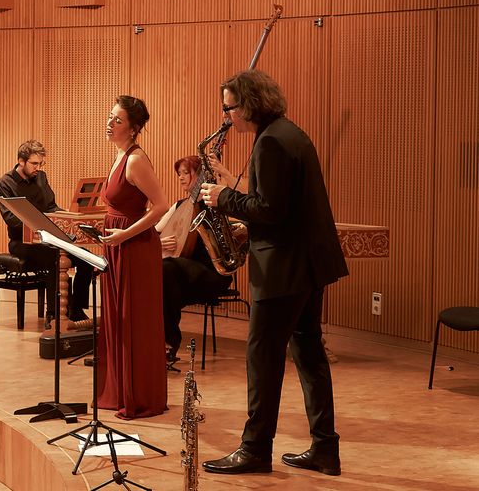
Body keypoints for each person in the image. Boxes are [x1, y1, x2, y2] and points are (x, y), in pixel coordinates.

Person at [199, 70, 348, 476]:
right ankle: (325, 448)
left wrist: (223, 197)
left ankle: (255, 450)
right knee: (308, 352)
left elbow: (270, 209)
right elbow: (282, 209)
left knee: (262, 356)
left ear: (249, 103)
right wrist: (250, 216)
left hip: (284, 269)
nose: (227, 116)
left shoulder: (270, 144)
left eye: (229, 108)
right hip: (305, 264)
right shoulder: (288, 133)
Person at [96, 95, 169, 419]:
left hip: (134, 248)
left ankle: (139, 395)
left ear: (134, 128)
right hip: (118, 243)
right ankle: (120, 389)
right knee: (117, 319)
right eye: (110, 117)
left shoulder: (136, 160)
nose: (110, 124)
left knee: (132, 322)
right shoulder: (119, 155)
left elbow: (162, 206)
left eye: (118, 120)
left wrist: (124, 235)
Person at [0, 140, 92, 324]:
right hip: (22, 243)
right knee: (56, 258)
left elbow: (51, 207)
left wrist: (69, 217)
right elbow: (11, 220)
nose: (38, 168)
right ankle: (54, 315)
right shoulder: (5, 183)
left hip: (47, 240)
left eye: (41, 163)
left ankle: (76, 309)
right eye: (34, 163)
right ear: (21, 161)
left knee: (86, 258)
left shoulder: (41, 177)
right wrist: (37, 223)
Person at [155, 155, 232, 364]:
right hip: (182, 274)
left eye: (186, 173)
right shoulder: (179, 205)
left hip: (211, 272)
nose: (180, 178)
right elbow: (153, 233)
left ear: (200, 176)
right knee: (159, 272)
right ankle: (154, 342)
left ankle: (169, 343)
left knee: (165, 269)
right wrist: (158, 244)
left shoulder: (214, 205)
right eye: (179, 174)